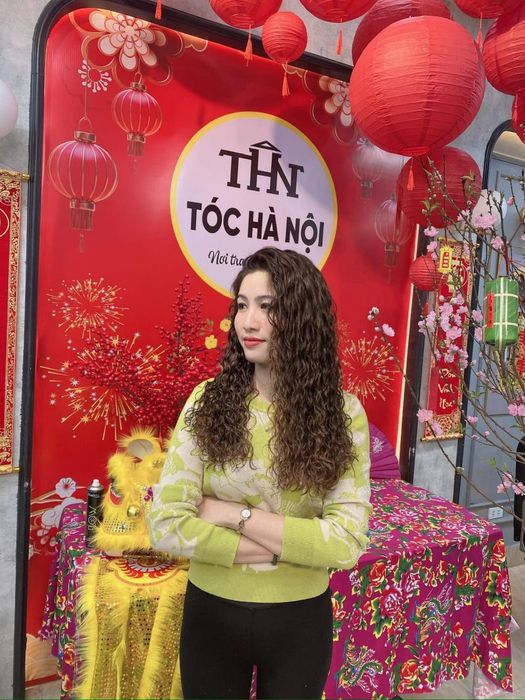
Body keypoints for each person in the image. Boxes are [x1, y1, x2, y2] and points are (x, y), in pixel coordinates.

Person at [147, 247, 371, 700]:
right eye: (242, 305)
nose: (248, 322)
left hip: (299, 620)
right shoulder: (207, 401)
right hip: (211, 614)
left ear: (303, 318)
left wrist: (232, 515)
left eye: (267, 307)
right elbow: (166, 526)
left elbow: (347, 541)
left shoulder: (343, 414)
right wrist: (285, 549)